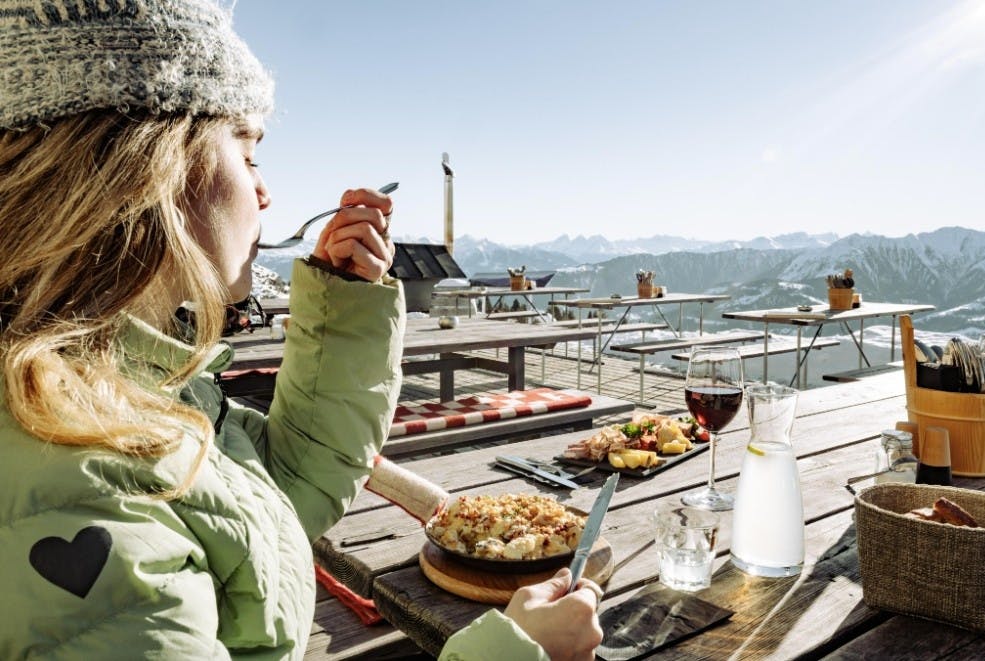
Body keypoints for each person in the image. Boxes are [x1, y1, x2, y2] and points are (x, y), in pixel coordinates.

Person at [0, 1, 603, 659]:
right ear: (154, 168)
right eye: (247, 153)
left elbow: (282, 486)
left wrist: (343, 304)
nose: (264, 194)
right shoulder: (77, 475)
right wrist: (516, 652)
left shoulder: (126, 384)